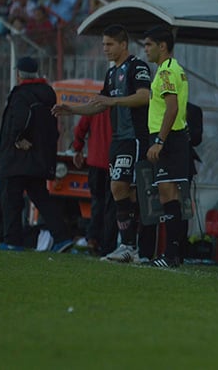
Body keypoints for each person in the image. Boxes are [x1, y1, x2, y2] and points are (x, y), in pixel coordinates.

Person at [52, 24, 152, 263]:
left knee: (129, 190)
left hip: (135, 138)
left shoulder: (137, 66)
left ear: (123, 44)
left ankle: (136, 246)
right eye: (103, 44)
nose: (105, 49)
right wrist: (72, 110)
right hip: (118, 140)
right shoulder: (111, 73)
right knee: (119, 189)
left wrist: (113, 101)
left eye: (109, 44)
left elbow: (145, 96)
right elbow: (100, 104)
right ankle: (129, 245)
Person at [0, 57, 73, 253]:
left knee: (11, 198)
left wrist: (17, 138)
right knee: (42, 199)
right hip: (39, 159)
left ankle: (12, 241)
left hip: (18, 158)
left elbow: (21, 119)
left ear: (19, 74)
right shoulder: (47, 93)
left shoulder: (21, 94)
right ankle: (62, 237)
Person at [142, 24, 191, 268]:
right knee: (169, 194)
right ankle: (175, 253)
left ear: (162, 46)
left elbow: (171, 108)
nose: (145, 50)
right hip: (172, 137)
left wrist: (159, 141)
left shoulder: (166, 72)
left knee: (168, 193)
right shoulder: (171, 69)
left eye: (148, 45)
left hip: (168, 138)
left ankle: (171, 254)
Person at [71, 109, 116, 256]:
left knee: (97, 201)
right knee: (113, 205)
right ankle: (108, 242)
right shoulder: (123, 102)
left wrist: (77, 149)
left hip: (95, 161)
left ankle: (93, 238)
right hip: (115, 161)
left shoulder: (95, 104)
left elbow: (81, 128)